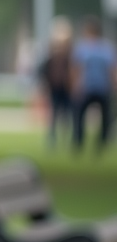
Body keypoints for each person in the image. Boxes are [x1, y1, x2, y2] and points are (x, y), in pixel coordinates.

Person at [71, 15, 115, 153]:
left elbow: (76, 69)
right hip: (98, 87)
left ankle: (81, 141)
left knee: (82, 116)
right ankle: (97, 141)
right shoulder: (105, 47)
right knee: (102, 116)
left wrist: (75, 85)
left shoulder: (83, 47)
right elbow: (112, 70)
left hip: (92, 87)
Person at [38, 17, 74, 148]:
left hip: (67, 87)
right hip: (55, 87)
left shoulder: (70, 55)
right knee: (54, 113)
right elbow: (44, 71)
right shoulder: (50, 56)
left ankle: (68, 139)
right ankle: (52, 138)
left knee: (67, 114)